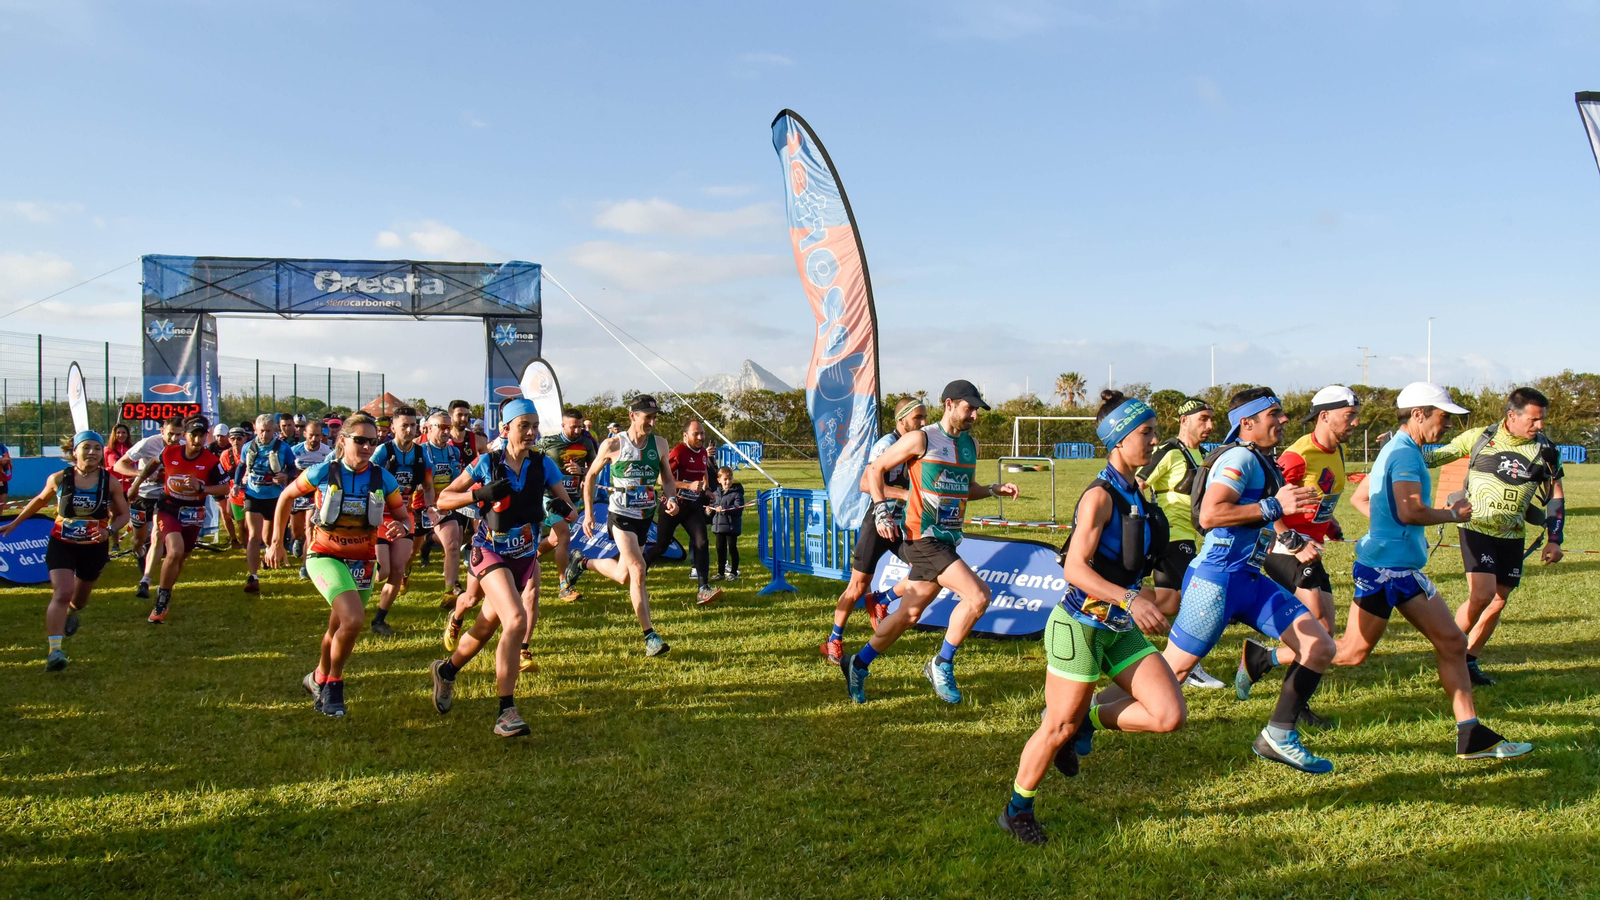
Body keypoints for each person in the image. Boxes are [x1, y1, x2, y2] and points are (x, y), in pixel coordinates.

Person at [1300, 382, 1530, 760]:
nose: (1448, 426)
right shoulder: (1406, 455)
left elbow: (1374, 503)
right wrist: (1451, 515)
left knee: (1445, 643)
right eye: (1443, 417)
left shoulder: (1399, 449)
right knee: (1352, 652)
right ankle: (1269, 658)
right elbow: (1410, 511)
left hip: (1395, 566)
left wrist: (1391, 534)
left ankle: (1470, 735)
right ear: (1419, 414)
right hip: (1391, 572)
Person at [997, 393, 1185, 845]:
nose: (1155, 440)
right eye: (1146, 433)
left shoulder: (1138, 491)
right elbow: (1074, 567)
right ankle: (1016, 809)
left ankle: (1088, 722)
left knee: (1167, 714)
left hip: (1117, 628)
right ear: (1119, 439)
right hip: (1078, 625)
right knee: (1055, 725)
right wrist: (1130, 599)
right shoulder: (1099, 497)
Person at [1158, 387, 1337, 773]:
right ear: (1247, 422)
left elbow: (1258, 514)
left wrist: (1288, 534)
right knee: (1171, 674)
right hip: (1217, 582)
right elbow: (1211, 515)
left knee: (1318, 646)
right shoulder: (1240, 456)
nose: (1284, 420)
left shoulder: (1259, 457)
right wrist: (1277, 506)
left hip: (1249, 580)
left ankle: (1279, 735)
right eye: (1275, 413)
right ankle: (1082, 713)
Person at [841, 380, 1019, 705]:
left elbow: (966, 488)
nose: (975, 416)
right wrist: (882, 511)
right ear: (949, 403)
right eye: (969, 408)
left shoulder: (971, 445)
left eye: (978, 409)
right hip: (923, 538)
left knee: (908, 615)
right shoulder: (921, 439)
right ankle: (942, 663)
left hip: (947, 540)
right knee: (979, 597)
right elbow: (875, 469)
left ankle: (858, 662)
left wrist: (993, 489)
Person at [428, 398, 573, 736]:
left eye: (536, 426)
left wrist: (559, 507)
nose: (532, 432)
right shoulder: (485, 463)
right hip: (489, 553)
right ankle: (506, 711)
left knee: (485, 628)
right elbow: (444, 499)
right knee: (517, 619)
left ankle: (446, 671)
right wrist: (478, 494)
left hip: (524, 556)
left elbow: (569, 508)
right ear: (506, 429)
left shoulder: (543, 464)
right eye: (525, 426)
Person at [265, 413, 406, 718]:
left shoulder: (384, 478)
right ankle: (334, 685)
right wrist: (277, 541)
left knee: (338, 626)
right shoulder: (323, 472)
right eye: (360, 440)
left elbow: (404, 516)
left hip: (363, 562)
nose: (368, 447)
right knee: (353, 620)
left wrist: (402, 528)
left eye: (373, 441)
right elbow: (286, 496)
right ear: (343, 441)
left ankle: (316, 678)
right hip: (325, 556)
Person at [1424, 387, 1565, 685]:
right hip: (1476, 527)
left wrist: (1555, 538)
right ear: (1512, 415)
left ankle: (1468, 660)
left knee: (1499, 599)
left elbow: (1555, 496)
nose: (1540, 426)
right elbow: (1437, 456)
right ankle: (1449, 651)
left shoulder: (1547, 450)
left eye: (1542, 420)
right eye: (1534, 419)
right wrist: (1400, 449)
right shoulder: (1481, 437)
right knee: (1482, 594)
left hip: (1512, 534)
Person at [563, 395, 682, 657]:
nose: (651, 422)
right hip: (620, 516)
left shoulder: (660, 444)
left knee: (622, 574)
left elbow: (668, 479)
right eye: (646, 417)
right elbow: (591, 475)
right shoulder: (613, 444)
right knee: (639, 568)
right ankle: (650, 635)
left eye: (654, 417)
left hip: (645, 516)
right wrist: (590, 512)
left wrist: (671, 498)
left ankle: (582, 562)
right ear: (632, 416)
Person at [3, 430, 129, 671]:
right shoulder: (59, 478)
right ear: (75, 452)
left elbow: (123, 514)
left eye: (96, 448)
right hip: (62, 544)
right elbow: (40, 501)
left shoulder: (109, 481)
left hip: (94, 548)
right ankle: (55, 651)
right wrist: (15, 522)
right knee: (62, 592)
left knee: (78, 601)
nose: (91, 452)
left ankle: (71, 611)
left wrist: (109, 531)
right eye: (86, 447)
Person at [820, 397, 926, 665]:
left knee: (925, 570)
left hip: (903, 524)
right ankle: (834, 639)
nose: (923, 423)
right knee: (856, 587)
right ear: (901, 420)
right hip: (879, 523)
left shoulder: (916, 445)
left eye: (925, 417)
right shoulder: (886, 445)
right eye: (918, 418)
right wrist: (903, 494)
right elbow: (867, 483)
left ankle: (883, 598)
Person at [1134, 396, 1224, 690]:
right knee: (1188, 600)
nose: (1209, 425)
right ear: (1184, 421)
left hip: (1190, 536)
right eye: (1203, 419)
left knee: (1171, 601)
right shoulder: (1170, 451)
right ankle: (1190, 666)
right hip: (1172, 536)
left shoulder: (1206, 455)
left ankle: (1115, 602)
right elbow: (1137, 483)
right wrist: (1142, 521)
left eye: (1212, 420)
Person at [1263, 386, 1360, 638]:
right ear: (1325, 416)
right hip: (1285, 546)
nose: (1356, 422)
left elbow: (1319, 495)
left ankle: (1266, 657)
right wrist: (1291, 540)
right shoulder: (1297, 456)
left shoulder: (1339, 449)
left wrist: (1330, 523)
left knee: (1326, 627)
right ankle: (1261, 655)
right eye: (1349, 415)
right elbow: (1267, 504)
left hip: (1311, 546)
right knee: (1314, 618)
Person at [139, 416, 230, 623]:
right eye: (193, 435)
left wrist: (203, 488)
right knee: (175, 550)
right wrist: (137, 484)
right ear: (185, 436)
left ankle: (166, 591)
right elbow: (152, 465)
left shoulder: (211, 461)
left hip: (194, 513)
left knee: (180, 557)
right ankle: (161, 601)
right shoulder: (170, 452)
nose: (197, 441)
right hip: (169, 508)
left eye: (201, 436)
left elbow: (226, 487)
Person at [367, 407, 432, 637]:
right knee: (381, 573)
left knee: (397, 570)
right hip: (379, 516)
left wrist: (430, 508)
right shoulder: (383, 452)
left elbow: (428, 485)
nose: (409, 429)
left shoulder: (422, 453)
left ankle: (379, 620)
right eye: (404, 425)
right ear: (393, 427)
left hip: (404, 516)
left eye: (413, 425)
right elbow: (366, 478)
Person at [643, 420, 721, 605]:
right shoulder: (678, 451)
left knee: (702, 542)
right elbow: (662, 480)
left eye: (702, 433)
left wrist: (706, 491)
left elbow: (701, 476)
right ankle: (639, 568)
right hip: (672, 506)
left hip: (692, 507)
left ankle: (703, 588)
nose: (701, 437)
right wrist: (688, 485)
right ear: (685, 435)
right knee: (661, 546)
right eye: (696, 434)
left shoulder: (703, 453)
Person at [114, 417, 182, 599]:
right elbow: (119, 464)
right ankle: (139, 553)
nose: (175, 439)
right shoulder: (147, 444)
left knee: (157, 536)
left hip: (166, 496)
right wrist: (141, 475)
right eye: (170, 435)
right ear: (162, 431)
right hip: (143, 496)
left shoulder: (184, 446)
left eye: (178, 435)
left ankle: (146, 580)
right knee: (138, 540)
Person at [536, 407, 598, 602]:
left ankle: (529, 558)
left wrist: (581, 470)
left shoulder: (587, 443)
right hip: (551, 498)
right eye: (573, 427)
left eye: (580, 427)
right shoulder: (547, 443)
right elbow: (534, 465)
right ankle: (564, 585)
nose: (578, 431)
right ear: (562, 425)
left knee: (555, 539)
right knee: (564, 536)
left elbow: (594, 470)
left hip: (573, 498)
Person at [239, 413, 297, 593]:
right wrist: (236, 483)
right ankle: (253, 576)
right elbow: (241, 465)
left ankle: (268, 556)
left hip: (274, 497)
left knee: (270, 537)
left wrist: (285, 475)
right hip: (253, 494)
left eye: (268, 431)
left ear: (275, 431)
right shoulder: (248, 447)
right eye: (261, 431)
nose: (264, 435)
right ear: (255, 430)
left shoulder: (283, 448)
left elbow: (293, 467)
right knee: (254, 536)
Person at [420, 411, 468, 600]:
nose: (447, 431)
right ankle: (405, 573)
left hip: (443, 503)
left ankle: (451, 588)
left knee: (453, 545)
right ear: (429, 428)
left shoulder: (452, 451)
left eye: (450, 427)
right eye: (442, 427)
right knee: (407, 555)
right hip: (420, 505)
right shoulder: (420, 450)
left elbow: (456, 481)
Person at [290, 420, 333, 578]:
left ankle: (305, 566)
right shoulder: (294, 451)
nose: (314, 439)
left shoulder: (327, 452)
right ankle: (297, 540)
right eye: (311, 435)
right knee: (296, 532)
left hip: (315, 496)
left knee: (310, 529)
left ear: (322, 436)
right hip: (298, 495)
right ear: (304, 434)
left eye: (318, 435)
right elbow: (287, 470)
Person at [709, 466, 745, 581]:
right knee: (720, 550)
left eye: (730, 479)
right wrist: (709, 511)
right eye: (725, 479)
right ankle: (720, 572)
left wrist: (724, 508)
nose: (728, 482)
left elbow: (738, 508)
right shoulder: (715, 493)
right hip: (718, 527)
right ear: (719, 480)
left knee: (732, 548)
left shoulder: (737, 493)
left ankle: (734, 572)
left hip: (731, 526)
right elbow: (714, 506)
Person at [217, 427, 249, 550]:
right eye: (233, 438)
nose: (236, 441)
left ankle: (254, 544)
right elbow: (221, 474)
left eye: (239, 438)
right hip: (235, 494)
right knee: (240, 524)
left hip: (250, 493)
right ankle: (245, 546)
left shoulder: (250, 453)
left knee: (248, 524)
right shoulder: (225, 455)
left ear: (245, 439)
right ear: (229, 440)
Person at [103, 424, 134, 551]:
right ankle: (115, 544)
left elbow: (137, 467)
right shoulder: (107, 450)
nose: (121, 435)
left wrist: (133, 476)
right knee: (115, 516)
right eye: (118, 432)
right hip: (114, 488)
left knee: (135, 516)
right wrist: (113, 469)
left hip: (129, 488)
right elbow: (102, 468)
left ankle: (138, 542)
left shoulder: (131, 449)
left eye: (124, 432)